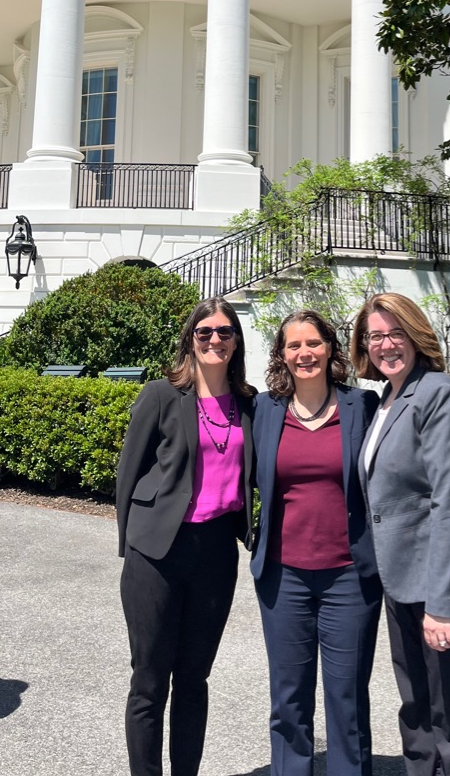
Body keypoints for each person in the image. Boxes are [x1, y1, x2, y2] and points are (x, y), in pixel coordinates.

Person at [351, 293, 450, 776]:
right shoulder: (386, 399)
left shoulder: (438, 392)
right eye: (375, 335)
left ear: (417, 336)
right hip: (403, 580)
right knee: (418, 714)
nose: (386, 344)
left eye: (396, 332)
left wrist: (443, 602)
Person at [115, 297, 255, 776]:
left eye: (225, 332)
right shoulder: (161, 394)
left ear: (237, 341)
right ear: (191, 340)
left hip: (216, 552)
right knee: (150, 681)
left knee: (194, 679)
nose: (215, 339)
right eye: (205, 332)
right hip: (156, 552)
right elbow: (127, 476)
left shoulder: (249, 404)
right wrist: (131, 546)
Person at [252, 309, 382, 776]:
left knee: (346, 697)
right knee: (288, 699)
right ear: (281, 355)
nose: (304, 353)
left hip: (350, 577)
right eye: (293, 346)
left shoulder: (362, 407)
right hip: (282, 577)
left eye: (313, 343)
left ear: (330, 349)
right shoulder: (263, 410)